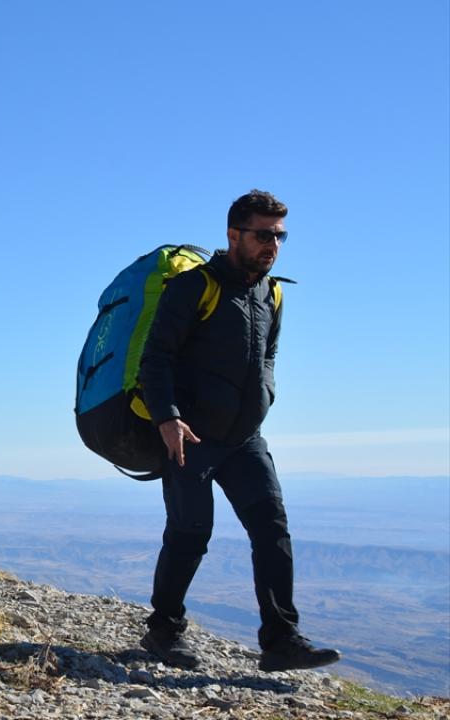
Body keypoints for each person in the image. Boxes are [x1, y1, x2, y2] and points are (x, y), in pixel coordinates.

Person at [137, 190, 340, 672]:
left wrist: (266, 393)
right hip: (190, 434)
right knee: (190, 533)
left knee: (272, 529)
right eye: (264, 234)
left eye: (281, 236)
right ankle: (163, 630)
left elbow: (269, 353)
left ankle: (281, 640)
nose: (274, 245)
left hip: (246, 437)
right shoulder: (194, 287)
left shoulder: (272, 293)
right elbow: (156, 358)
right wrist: (167, 418)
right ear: (234, 234)